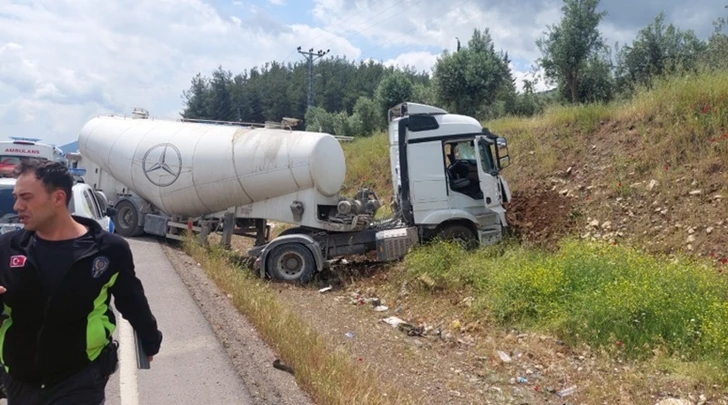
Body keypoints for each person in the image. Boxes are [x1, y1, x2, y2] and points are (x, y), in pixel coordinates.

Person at [0, 159, 163, 404]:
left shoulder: (108, 249)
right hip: (20, 379)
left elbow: (132, 301)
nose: (17, 205)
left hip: (80, 377)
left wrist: (150, 341)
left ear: (58, 198)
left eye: (26, 197)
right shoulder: (7, 247)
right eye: (16, 197)